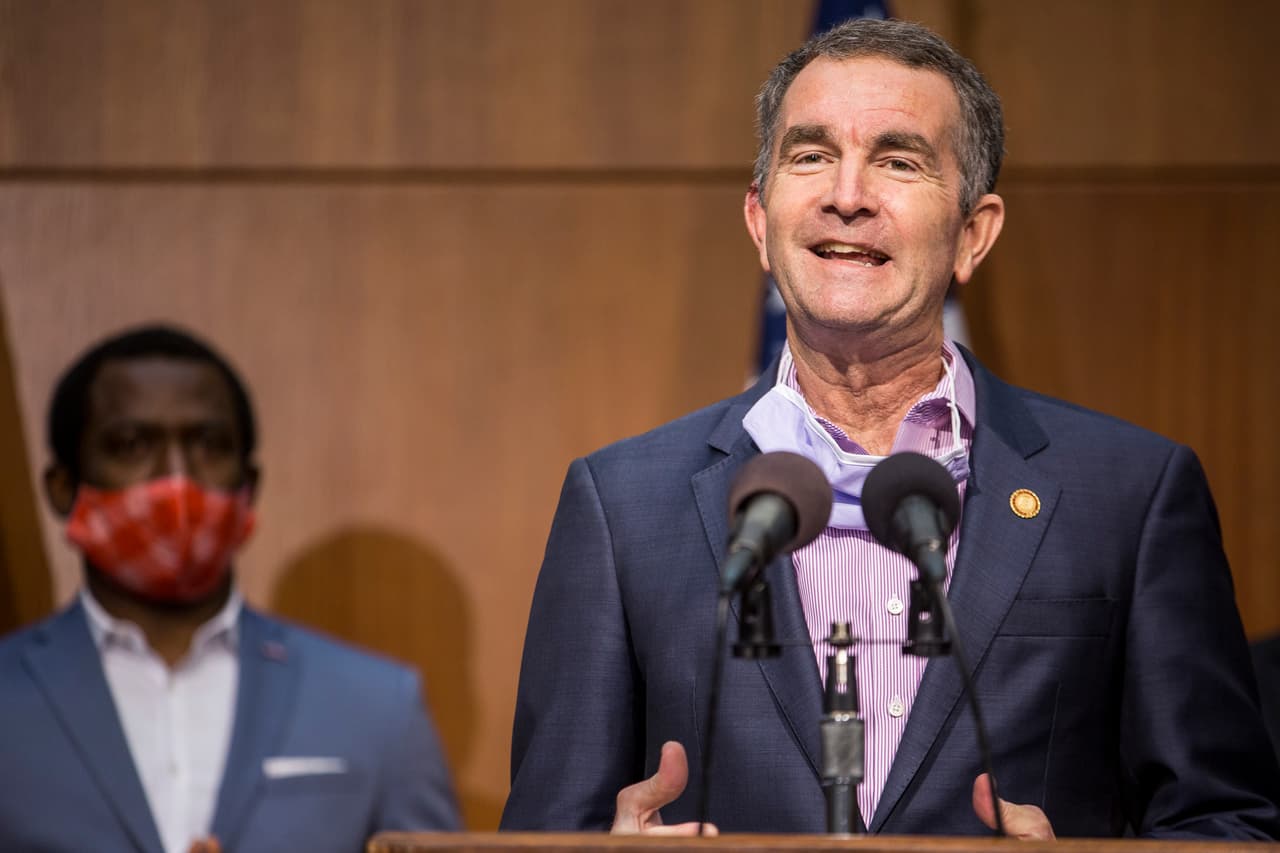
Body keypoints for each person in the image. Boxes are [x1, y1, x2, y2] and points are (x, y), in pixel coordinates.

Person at [500, 18, 1280, 839]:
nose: (847, 194)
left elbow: (1227, 823)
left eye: (898, 161)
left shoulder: (1130, 492)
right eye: (809, 156)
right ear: (761, 222)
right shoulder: (622, 505)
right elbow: (550, 825)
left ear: (972, 235)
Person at [0, 325, 460, 853]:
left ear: (250, 485)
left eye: (209, 444)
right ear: (62, 486)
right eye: (131, 445)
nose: (177, 479)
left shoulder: (379, 705)